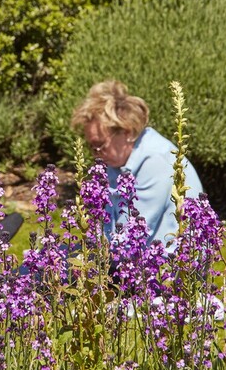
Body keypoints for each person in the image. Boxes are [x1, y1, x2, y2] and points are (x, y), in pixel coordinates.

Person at [70, 80, 205, 249]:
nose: (96, 153)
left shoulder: (156, 161)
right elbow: (109, 225)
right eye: (91, 147)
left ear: (126, 132)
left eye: (100, 144)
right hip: (127, 255)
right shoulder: (117, 161)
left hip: (169, 266)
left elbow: (131, 235)